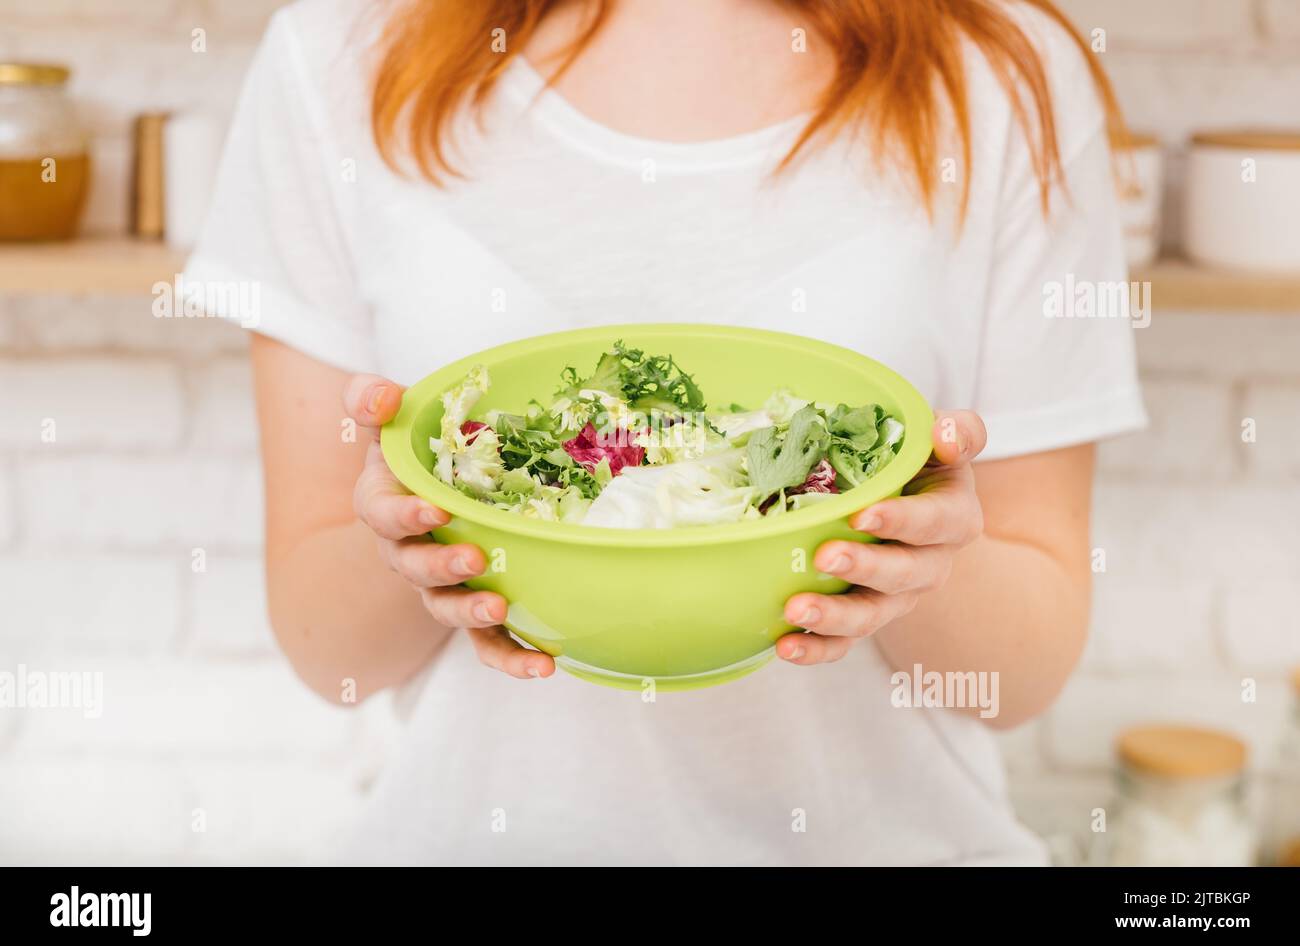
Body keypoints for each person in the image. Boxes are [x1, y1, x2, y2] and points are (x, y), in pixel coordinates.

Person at [186, 0, 1146, 864]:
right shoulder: (341, 50)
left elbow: (1018, 678)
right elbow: (332, 657)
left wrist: (909, 544)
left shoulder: (1003, 69)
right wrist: (414, 523)